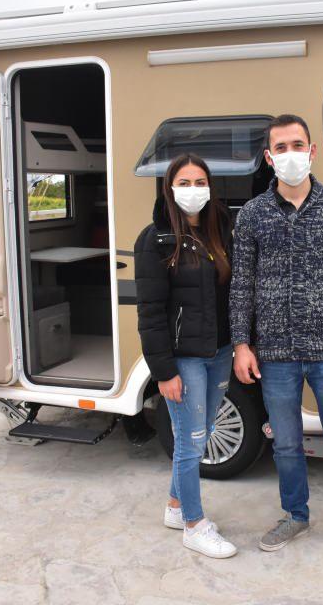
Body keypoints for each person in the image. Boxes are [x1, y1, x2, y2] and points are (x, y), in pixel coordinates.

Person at [229, 114, 323, 555]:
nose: (290, 154)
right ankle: (295, 516)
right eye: (281, 148)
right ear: (269, 157)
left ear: (312, 151)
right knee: (286, 445)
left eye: (297, 145)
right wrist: (241, 344)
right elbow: (242, 284)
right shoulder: (253, 215)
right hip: (275, 353)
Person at [134, 153, 237, 559]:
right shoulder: (155, 239)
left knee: (203, 431)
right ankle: (194, 525)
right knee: (191, 442)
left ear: (210, 187)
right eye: (184, 183)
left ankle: (176, 507)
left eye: (200, 182)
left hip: (220, 351)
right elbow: (150, 312)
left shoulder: (219, 230)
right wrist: (164, 371)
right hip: (184, 358)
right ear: (169, 189)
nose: (193, 190)